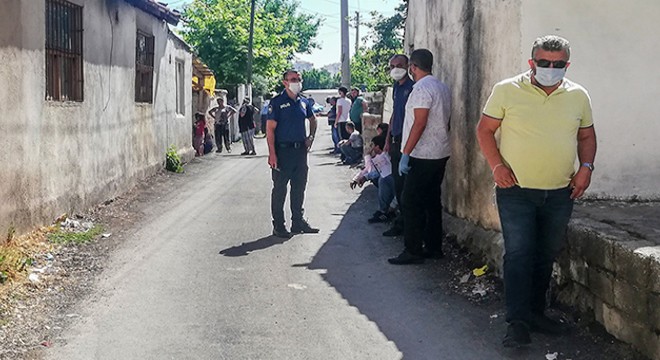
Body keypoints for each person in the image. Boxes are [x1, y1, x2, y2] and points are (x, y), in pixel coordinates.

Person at [476, 35, 596, 348]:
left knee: (544, 255)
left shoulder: (578, 96)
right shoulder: (507, 90)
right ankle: (517, 323)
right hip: (516, 191)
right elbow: (485, 130)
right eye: (544, 63)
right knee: (518, 255)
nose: (551, 68)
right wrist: (497, 166)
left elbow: (586, 136)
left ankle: (536, 313)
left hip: (560, 192)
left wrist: (586, 168)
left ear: (566, 65)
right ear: (532, 63)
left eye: (558, 64)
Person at [388, 48, 452, 265]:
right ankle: (434, 247)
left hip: (422, 155)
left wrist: (405, 153)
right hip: (440, 152)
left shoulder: (421, 89)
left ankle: (413, 250)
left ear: (413, 67)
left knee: (411, 201)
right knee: (432, 201)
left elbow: (420, 122)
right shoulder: (441, 87)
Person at [267, 70, 320, 238]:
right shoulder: (276, 102)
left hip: (300, 152)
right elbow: (270, 129)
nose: (296, 82)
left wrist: (310, 137)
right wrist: (272, 154)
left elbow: (313, 119)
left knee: (299, 188)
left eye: (298, 79)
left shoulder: (304, 102)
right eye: (292, 79)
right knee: (280, 190)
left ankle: (298, 222)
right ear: (285, 82)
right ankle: (279, 226)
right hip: (282, 152)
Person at [383, 54, 415, 238]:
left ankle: (407, 225)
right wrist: (388, 139)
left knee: (406, 189)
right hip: (395, 141)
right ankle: (401, 222)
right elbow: (394, 114)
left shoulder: (413, 88)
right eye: (392, 65)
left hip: (407, 142)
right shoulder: (396, 87)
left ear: (408, 66)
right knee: (398, 185)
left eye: (399, 65)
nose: (395, 69)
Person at [350, 134, 395, 223]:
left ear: (377, 147)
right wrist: (362, 178)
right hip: (387, 179)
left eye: (373, 145)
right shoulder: (380, 157)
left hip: (391, 182)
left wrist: (367, 155)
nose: (372, 148)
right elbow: (373, 172)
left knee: (383, 180)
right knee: (380, 179)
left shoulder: (383, 157)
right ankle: (384, 210)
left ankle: (385, 212)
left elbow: (369, 168)